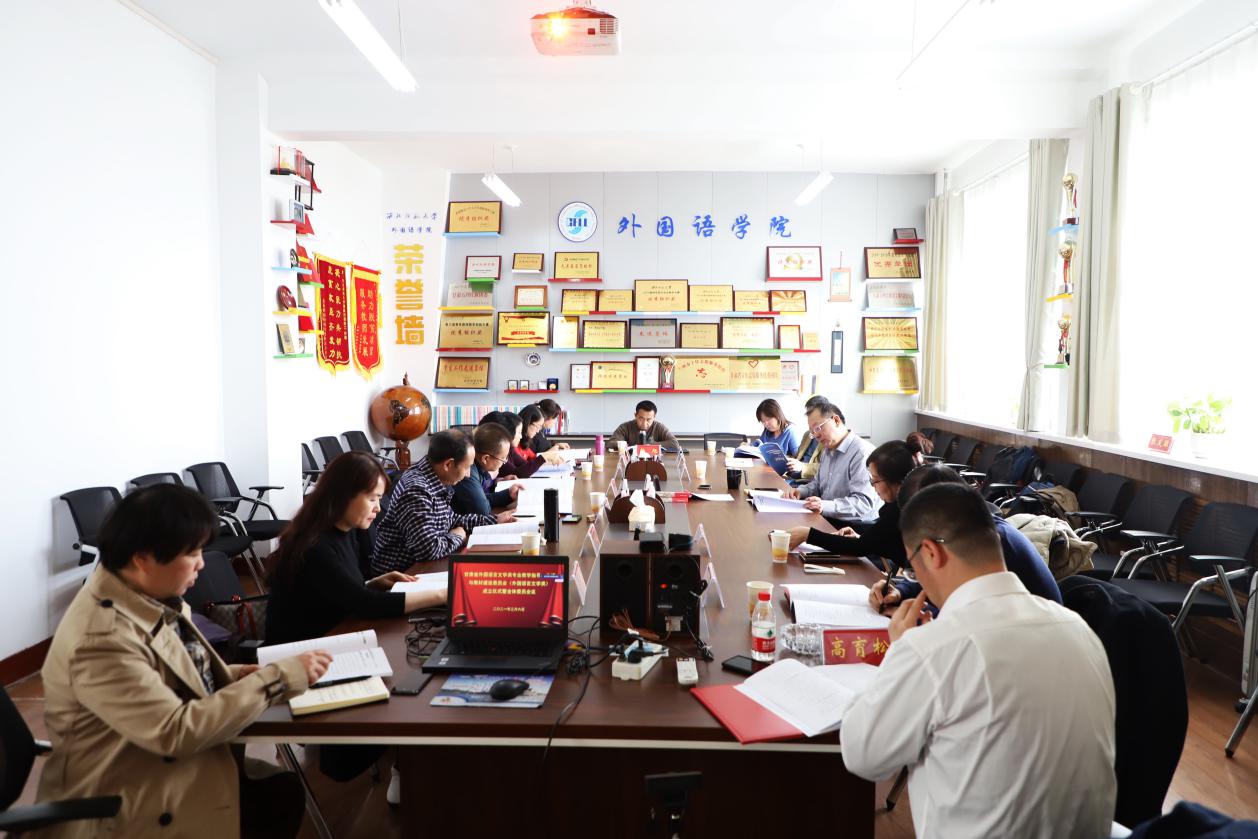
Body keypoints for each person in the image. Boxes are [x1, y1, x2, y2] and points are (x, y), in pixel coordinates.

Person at [33, 484, 328, 839]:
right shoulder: (102, 638)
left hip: (150, 765)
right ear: (142, 558)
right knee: (272, 797)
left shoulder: (147, 596)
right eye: (192, 553)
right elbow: (175, 732)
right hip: (123, 798)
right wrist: (276, 679)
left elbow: (172, 673)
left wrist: (235, 674)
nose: (202, 563)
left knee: (278, 792)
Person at [841, 483, 1116, 838]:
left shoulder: (934, 648)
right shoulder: (1079, 628)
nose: (916, 577)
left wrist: (899, 653)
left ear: (931, 552)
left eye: (912, 565)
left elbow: (863, 755)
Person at [266, 452, 449, 646]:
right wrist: (443, 595)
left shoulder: (346, 531)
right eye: (372, 499)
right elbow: (366, 605)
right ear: (343, 496)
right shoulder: (314, 546)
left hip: (331, 638)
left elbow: (335, 593)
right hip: (299, 653)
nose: (378, 508)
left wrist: (371, 584)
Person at [868, 464, 1062, 612]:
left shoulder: (991, 543)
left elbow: (968, 613)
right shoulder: (973, 529)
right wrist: (901, 590)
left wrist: (913, 613)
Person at [371, 430, 498, 574]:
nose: (468, 474)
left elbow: (450, 520)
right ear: (448, 464)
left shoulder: (433, 477)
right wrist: (457, 537)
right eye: (467, 467)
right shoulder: (417, 490)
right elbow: (428, 550)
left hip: (421, 567)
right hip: (400, 575)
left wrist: (495, 520)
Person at [785, 441, 913, 566]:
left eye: (875, 480)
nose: (872, 486)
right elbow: (872, 542)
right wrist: (861, 537)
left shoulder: (901, 512)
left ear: (896, 480)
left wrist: (808, 535)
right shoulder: (894, 505)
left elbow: (860, 547)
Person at [784, 400, 878, 519]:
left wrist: (824, 505)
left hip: (854, 525)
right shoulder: (827, 451)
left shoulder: (861, 453)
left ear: (836, 420)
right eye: (812, 432)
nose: (816, 436)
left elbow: (863, 503)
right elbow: (817, 485)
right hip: (827, 518)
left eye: (818, 428)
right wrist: (800, 492)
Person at [452, 422, 523, 518]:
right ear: (485, 458)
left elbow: (480, 499)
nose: (504, 462)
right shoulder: (468, 471)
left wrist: (508, 494)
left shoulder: (479, 466)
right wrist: (485, 502)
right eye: (503, 458)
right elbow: (482, 511)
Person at [785, 394, 828, 481]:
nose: (810, 417)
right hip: (794, 475)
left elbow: (828, 468)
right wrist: (786, 459)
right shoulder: (807, 434)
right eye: (808, 414)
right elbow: (798, 457)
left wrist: (802, 466)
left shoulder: (829, 438)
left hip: (808, 480)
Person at [608, 400, 680, 449]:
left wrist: (649, 445)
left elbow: (674, 443)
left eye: (648, 419)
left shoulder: (659, 427)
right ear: (635, 415)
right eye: (641, 419)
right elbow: (610, 443)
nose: (644, 423)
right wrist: (628, 446)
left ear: (654, 417)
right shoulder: (625, 427)